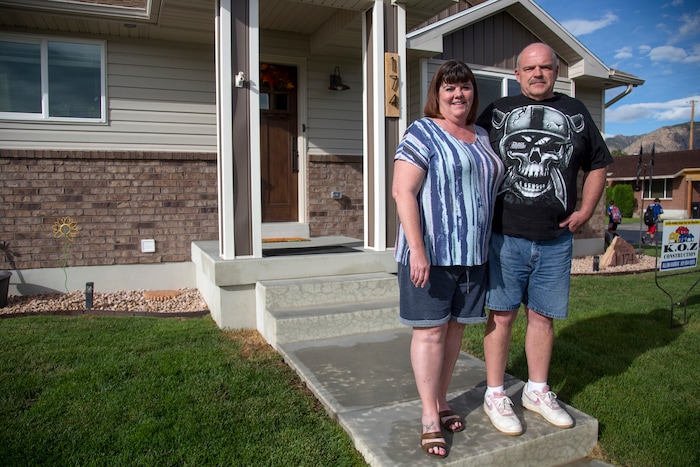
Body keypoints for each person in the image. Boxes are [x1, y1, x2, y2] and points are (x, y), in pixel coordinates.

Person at [476, 42, 613, 435]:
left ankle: (536, 390)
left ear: (557, 72)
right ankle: (496, 393)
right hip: (504, 236)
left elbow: (600, 164)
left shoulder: (576, 112)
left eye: (546, 67)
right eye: (530, 68)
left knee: (543, 316)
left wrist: (586, 210)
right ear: (518, 74)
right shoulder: (497, 113)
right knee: (501, 315)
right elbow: (467, 151)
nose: (538, 73)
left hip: (555, 238)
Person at [392, 60, 505, 458]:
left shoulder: (483, 136)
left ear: (474, 93)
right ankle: (428, 417)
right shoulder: (422, 131)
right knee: (430, 332)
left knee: (455, 332)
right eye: (449, 88)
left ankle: (441, 400)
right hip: (431, 256)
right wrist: (418, 250)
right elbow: (403, 192)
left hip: (472, 257)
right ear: (437, 94)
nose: (458, 94)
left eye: (465, 87)